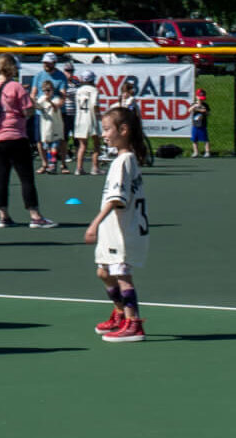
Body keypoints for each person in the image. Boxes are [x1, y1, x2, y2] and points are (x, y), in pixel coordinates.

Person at [87, 107, 152, 343]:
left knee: (122, 274)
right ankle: (120, 313)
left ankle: (134, 323)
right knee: (103, 272)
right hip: (113, 229)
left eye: (106, 130)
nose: (103, 135)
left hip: (123, 231)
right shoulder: (125, 159)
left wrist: (94, 223)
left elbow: (116, 199)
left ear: (123, 130)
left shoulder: (124, 161)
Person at [0, 53, 56, 229]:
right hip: (14, 136)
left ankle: (3, 216)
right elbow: (28, 111)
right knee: (26, 177)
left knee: (1, 176)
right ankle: (35, 216)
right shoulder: (16, 87)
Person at [72, 72, 101, 176]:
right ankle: (95, 168)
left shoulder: (79, 91)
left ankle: (79, 168)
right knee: (96, 144)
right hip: (91, 119)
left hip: (80, 119)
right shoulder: (94, 90)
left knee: (82, 145)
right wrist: (99, 116)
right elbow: (94, 105)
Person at [37, 81, 66, 173]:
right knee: (48, 148)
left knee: (54, 147)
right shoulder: (41, 99)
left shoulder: (56, 99)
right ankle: (51, 164)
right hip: (46, 128)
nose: (46, 92)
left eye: (48, 90)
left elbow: (56, 107)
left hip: (55, 127)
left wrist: (49, 101)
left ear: (52, 90)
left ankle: (53, 165)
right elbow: (36, 106)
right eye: (44, 90)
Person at [189, 88, 210, 157]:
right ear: (196, 97)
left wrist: (203, 110)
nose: (201, 100)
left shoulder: (205, 105)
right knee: (194, 139)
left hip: (202, 125)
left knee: (205, 139)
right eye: (200, 98)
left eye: (202, 98)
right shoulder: (194, 104)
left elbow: (207, 113)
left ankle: (207, 152)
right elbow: (189, 110)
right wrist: (195, 107)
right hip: (195, 125)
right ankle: (196, 152)